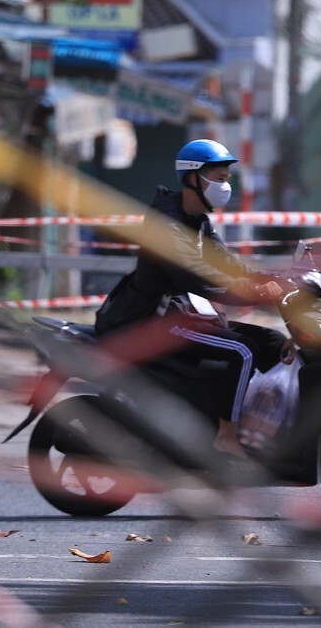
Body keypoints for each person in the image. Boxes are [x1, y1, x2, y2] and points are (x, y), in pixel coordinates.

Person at [95, 139, 287, 459]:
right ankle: (225, 436)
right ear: (192, 178)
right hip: (153, 319)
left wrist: (270, 278)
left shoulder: (197, 220)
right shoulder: (167, 223)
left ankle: (253, 423)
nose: (225, 185)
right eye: (219, 178)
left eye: (227, 178)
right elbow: (195, 274)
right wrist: (248, 291)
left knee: (273, 340)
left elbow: (224, 261)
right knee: (242, 350)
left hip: (183, 311)